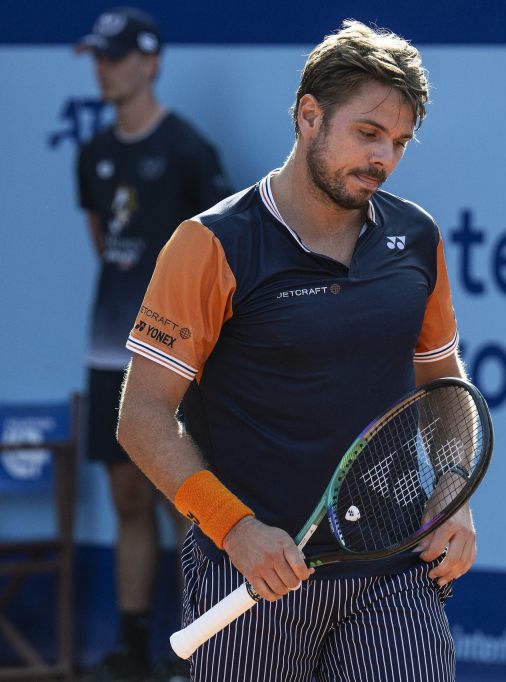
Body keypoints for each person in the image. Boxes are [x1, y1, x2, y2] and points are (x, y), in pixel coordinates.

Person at [116, 19, 474, 682]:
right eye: (368, 133)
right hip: (251, 574)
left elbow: (443, 385)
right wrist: (236, 530)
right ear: (310, 115)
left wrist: (453, 494)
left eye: (398, 142)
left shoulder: (417, 239)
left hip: (394, 572)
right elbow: (141, 416)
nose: (383, 159)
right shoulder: (210, 245)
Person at [74, 7, 231, 681]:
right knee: (126, 499)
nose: (103, 69)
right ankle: (133, 646)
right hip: (112, 345)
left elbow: (222, 256)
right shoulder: (94, 154)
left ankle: (198, 648)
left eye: (113, 57)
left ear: (149, 61)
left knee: (185, 497)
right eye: (97, 58)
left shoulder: (192, 152)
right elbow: (105, 247)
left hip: (180, 358)